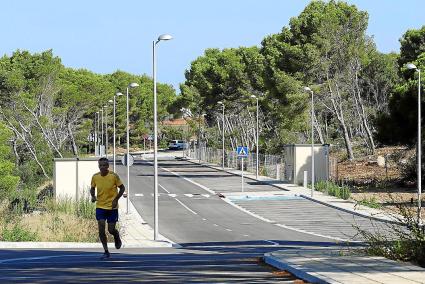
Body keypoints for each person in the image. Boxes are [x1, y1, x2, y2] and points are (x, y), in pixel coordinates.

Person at [90, 157, 125, 259]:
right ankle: (106, 251)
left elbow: (122, 188)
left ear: (108, 166)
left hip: (112, 207)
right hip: (100, 206)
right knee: (101, 227)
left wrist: (116, 199)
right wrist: (93, 196)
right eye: (100, 165)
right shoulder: (95, 177)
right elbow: (92, 188)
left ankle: (116, 235)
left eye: (104, 165)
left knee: (110, 229)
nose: (102, 167)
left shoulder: (113, 176)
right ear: (98, 166)